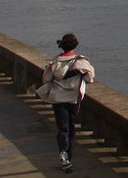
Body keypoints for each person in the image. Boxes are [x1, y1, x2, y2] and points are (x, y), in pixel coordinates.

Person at [39, 33, 96, 172]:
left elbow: (46, 79)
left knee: (62, 128)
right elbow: (90, 77)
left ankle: (63, 154)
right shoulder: (80, 61)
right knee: (71, 127)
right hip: (73, 99)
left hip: (58, 100)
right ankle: (69, 157)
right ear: (75, 45)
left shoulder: (55, 62)